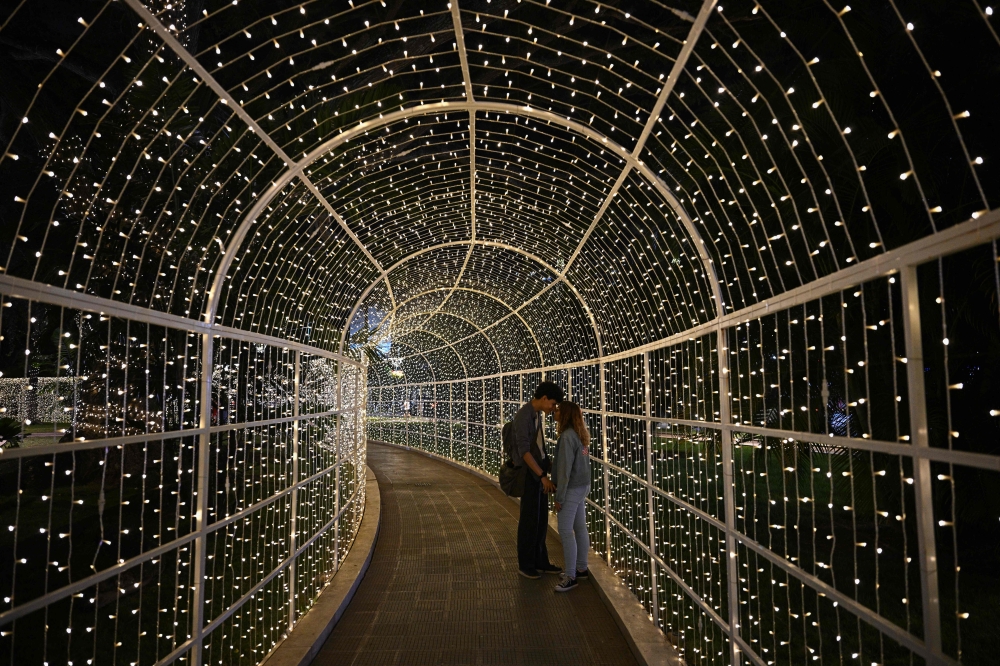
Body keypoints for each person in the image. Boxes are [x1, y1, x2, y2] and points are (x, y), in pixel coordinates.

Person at [514, 381, 564, 578]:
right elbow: (524, 451)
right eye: (552, 404)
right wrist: (542, 476)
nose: (553, 409)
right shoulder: (524, 416)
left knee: (541, 519)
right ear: (544, 398)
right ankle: (525, 564)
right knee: (528, 520)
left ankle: (540, 561)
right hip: (529, 476)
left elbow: (537, 447)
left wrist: (547, 465)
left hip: (538, 473)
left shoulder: (536, 415)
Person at [551, 401, 591, 592]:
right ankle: (581, 567)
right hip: (583, 486)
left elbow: (564, 469)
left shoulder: (567, 437)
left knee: (566, 530)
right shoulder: (580, 434)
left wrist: (559, 496)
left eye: (558, 410)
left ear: (565, 414)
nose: (555, 412)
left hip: (572, 488)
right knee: (579, 527)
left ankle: (571, 576)